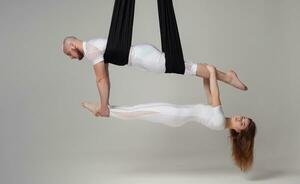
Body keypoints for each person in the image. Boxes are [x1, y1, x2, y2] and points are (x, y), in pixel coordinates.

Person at [81, 64, 256, 172]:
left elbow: (215, 92)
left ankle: (103, 111)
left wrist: (211, 71)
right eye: (244, 118)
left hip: (173, 113)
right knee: (139, 111)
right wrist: (207, 74)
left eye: (242, 123)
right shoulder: (219, 117)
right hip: (175, 114)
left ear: (239, 131)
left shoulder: (219, 119)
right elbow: (209, 93)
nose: (240, 118)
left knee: (138, 112)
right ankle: (104, 110)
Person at [62, 36, 248, 117]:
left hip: (144, 58)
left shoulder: (91, 50)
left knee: (185, 68)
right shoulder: (93, 45)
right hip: (142, 57)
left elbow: (101, 79)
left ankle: (228, 77)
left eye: (68, 54)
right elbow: (105, 76)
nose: (70, 57)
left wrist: (103, 107)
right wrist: (105, 104)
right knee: (185, 67)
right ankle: (226, 77)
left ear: (71, 45)